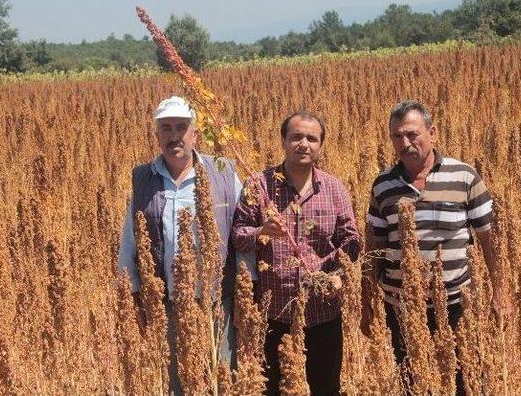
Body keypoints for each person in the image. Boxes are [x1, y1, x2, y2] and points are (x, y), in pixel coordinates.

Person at [366, 100, 496, 394]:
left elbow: (490, 239)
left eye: (412, 134)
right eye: (397, 136)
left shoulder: (464, 176)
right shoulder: (383, 185)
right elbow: (375, 247)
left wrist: (501, 295)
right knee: (413, 383)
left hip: (456, 303)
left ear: (432, 132)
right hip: (400, 307)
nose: (405, 142)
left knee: (468, 381)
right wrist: (366, 304)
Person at [117, 96, 242, 395]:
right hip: (168, 301)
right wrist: (133, 294)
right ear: (157, 135)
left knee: (220, 379)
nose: (174, 135)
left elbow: (244, 231)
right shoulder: (143, 179)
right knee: (179, 382)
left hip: (217, 300)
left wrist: (245, 289)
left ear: (195, 134)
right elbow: (130, 241)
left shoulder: (223, 172)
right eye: (166, 128)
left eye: (181, 127)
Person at [232, 111, 360, 396]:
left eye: (312, 138)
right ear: (283, 141)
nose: (304, 144)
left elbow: (351, 241)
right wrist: (261, 231)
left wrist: (340, 276)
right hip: (274, 312)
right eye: (296, 137)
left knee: (326, 388)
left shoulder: (334, 189)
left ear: (320, 145)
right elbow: (238, 236)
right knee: (272, 389)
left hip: (323, 313)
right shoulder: (259, 186)